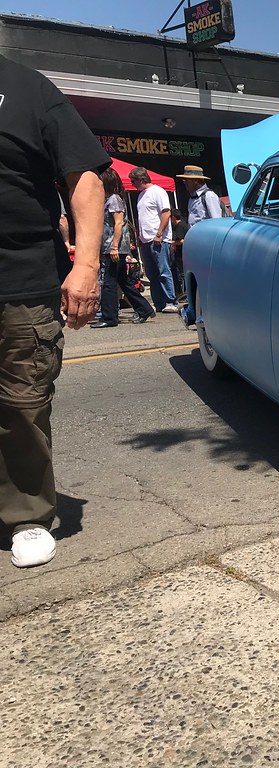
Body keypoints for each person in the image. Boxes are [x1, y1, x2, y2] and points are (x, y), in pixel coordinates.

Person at [0, 53, 110, 567]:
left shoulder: (28, 88)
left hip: (19, 282)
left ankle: (27, 515)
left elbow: (84, 177)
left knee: (22, 405)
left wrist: (85, 266)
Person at [91, 168, 155, 328]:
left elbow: (118, 223)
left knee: (108, 283)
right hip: (111, 247)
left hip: (114, 248)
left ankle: (109, 317)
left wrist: (113, 247)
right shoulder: (109, 199)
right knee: (122, 281)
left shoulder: (114, 199)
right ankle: (144, 309)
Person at [127, 166, 178, 313]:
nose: (132, 184)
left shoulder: (158, 191)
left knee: (163, 270)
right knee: (151, 273)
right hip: (145, 239)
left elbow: (166, 213)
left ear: (142, 180)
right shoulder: (141, 195)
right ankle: (159, 302)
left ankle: (170, 300)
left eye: (134, 181)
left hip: (158, 238)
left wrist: (159, 233)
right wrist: (138, 236)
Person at [169, 208, 189, 301]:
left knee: (181, 274)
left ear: (173, 217)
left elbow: (181, 240)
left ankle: (184, 294)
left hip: (181, 254)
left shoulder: (180, 226)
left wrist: (171, 242)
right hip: (180, 254)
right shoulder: (182, 225)